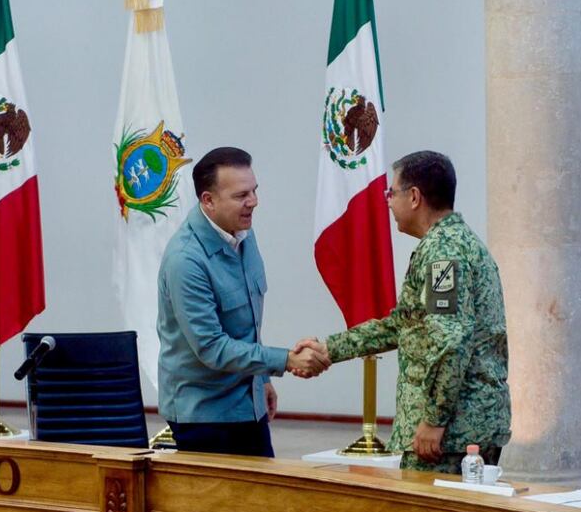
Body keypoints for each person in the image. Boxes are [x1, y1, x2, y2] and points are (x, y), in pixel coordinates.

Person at [304, 151, 510, 472]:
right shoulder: (449, 243)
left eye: (391, 192)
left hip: (451, 436)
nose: (387, 202)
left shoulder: (444, 251)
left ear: (414, 197)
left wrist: (434, 419)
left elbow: (451, 341)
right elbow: (402, 325)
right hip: (459, 430)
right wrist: (330, 349)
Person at [157, 147, 330, 456]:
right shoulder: (186, 260)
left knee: (264, 501)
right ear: (208, 201)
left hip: (247, 404)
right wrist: (286, 360)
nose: (253, 202)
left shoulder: (242, 233)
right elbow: (211, 347)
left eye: (254, 191)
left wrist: (260, 378)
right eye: (241, 195)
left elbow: (246, 321)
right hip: (205, 416)